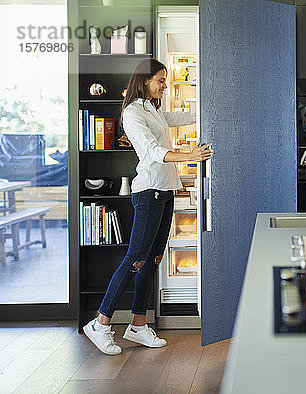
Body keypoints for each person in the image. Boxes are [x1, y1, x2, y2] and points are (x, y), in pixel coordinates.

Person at [83, 59, 213, 355]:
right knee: (135, 259)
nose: (165, 86)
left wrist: (211, 101)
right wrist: (188, 155)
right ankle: (100, 324)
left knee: (153, 259)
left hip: (166, 191)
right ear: (144, 81)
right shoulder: (132, 113)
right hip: (149, 192)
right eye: (161, 81)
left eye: (166, 81)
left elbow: (181, 118)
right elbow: (152, 151)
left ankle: (138, 325)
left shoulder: (153, 109)